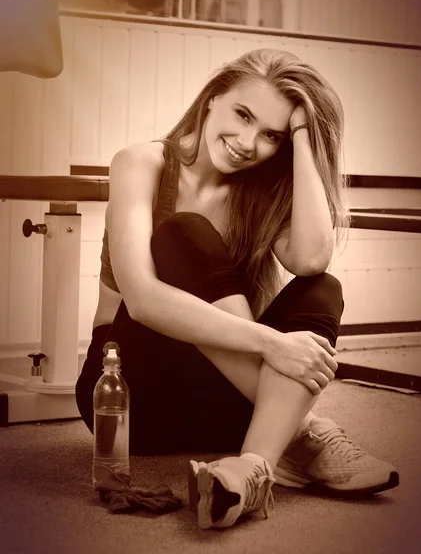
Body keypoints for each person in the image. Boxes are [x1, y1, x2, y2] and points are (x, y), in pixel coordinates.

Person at [75, 48, 399, 530]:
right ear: (213, 98)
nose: (249, 143)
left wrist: (305, 140)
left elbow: (312, 260)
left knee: (321, 287)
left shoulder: (262, 191)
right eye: (242, 115)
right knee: (184, 233)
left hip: (227, 406)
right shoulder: (141, 162)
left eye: (271, 135)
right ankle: (304, 433)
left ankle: (254, 468)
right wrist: (272, 343)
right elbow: (140, 299)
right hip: (130, 396)